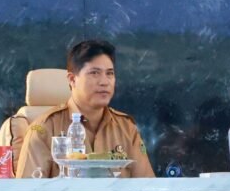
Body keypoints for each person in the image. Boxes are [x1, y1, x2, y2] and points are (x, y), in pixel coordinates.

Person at [16, 40, 155, 178]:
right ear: (72, 80)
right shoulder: (44, 129)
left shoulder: (126, 128)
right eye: (94, 73)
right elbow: (28, 190)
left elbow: (147, 186)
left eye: (110, 73)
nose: (104, 82)